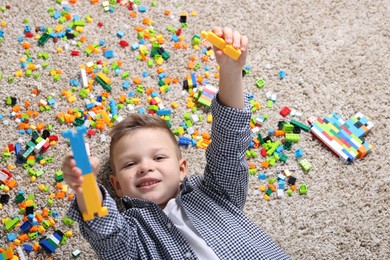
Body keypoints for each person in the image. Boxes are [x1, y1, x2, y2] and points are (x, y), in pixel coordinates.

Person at [62, 26, 289, 259]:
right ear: (117, 186)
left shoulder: (215, 192)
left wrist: (231, 72)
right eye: (129, 164)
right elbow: (104, 232)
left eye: (159, 157)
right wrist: (86, 185)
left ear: (182, 169)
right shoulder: (130, 237)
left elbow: (229, 145)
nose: (145, 167)